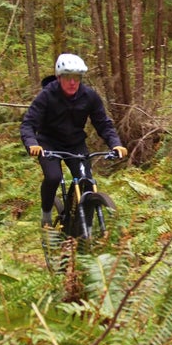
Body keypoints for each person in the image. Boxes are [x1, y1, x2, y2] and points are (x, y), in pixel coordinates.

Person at [20, 53, 127, 227]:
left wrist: (116, 144)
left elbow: (103, 124)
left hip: (75, 143)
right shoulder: (47, 96)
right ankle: (46, 213)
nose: (72, 82)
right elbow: (28, 124)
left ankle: (85, 229)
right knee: (54, 177)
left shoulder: (89, 96)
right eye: (68, 77)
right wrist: (32, 143)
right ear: (59, 77)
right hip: (48, 143)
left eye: (76, 77)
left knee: (87, 182)